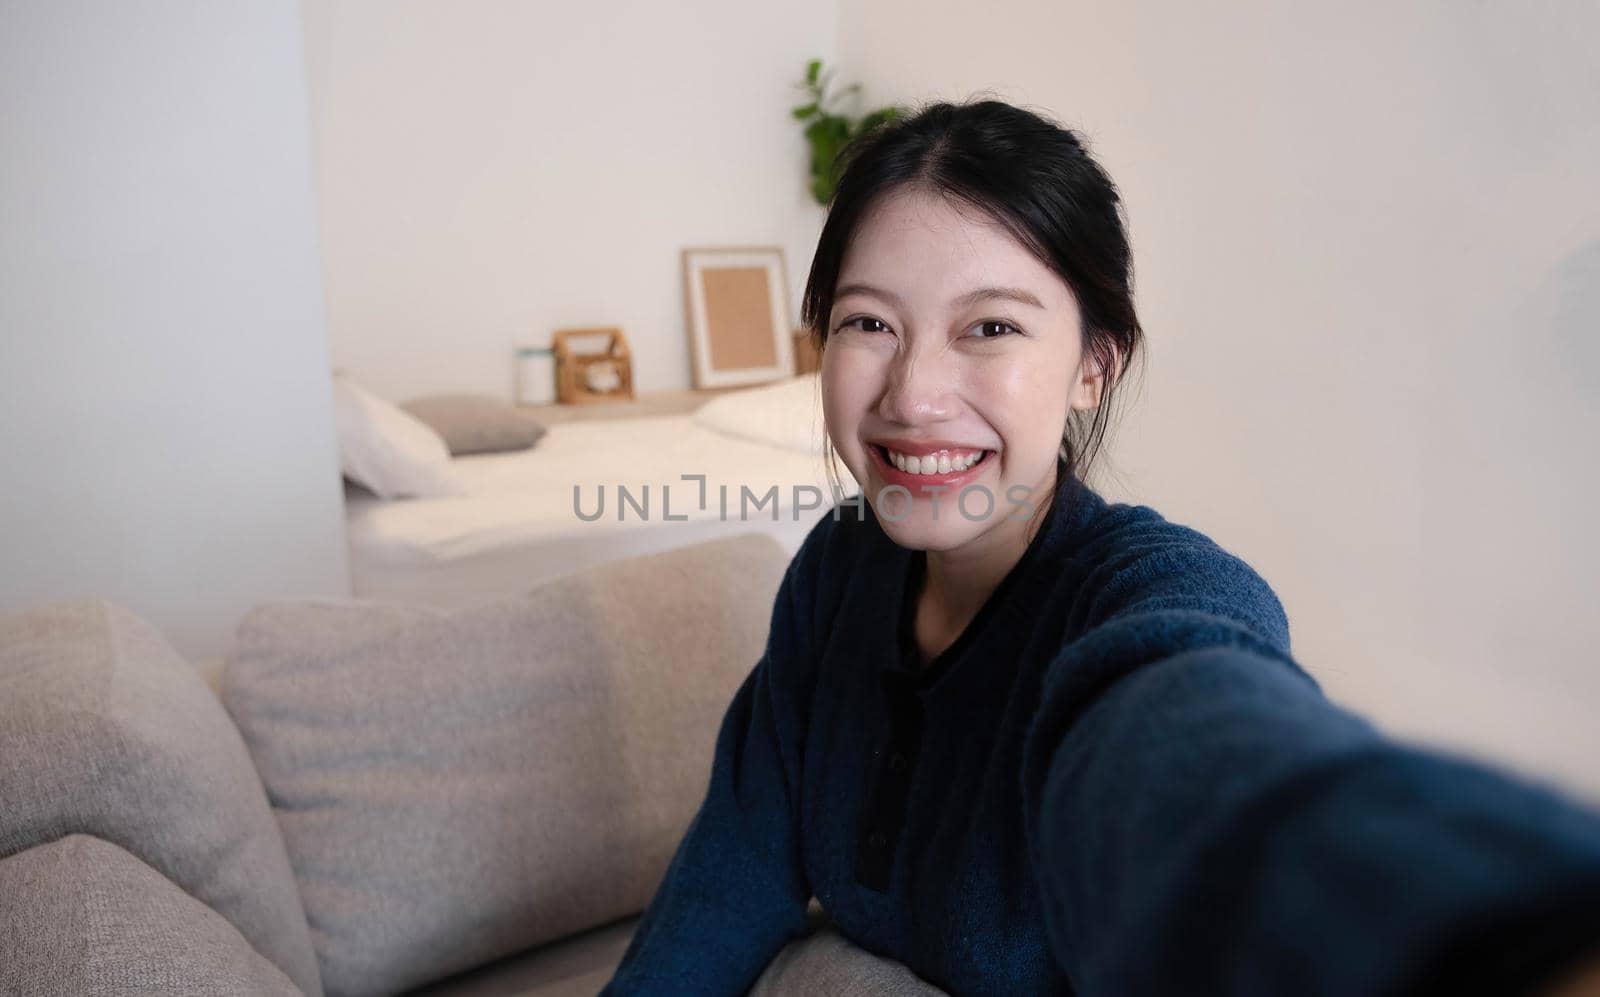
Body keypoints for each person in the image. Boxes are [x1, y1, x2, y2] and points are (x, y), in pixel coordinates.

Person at [599, 99, 1600, 995]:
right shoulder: (836, 565)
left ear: (1091, 366)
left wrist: (1491, 927)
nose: (909, 395)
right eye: (869, 322)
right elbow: (734, 866)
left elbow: (1200, 761)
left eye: (988, 327)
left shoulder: (1151, 593)